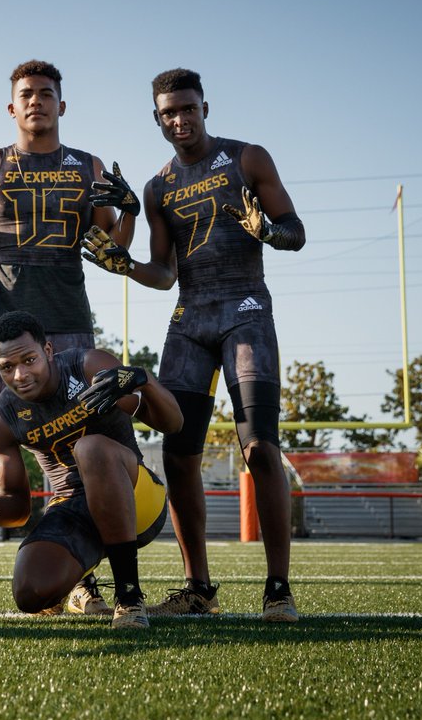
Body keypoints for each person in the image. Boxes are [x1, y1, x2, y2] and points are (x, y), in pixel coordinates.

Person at [81, 68, 306, 622]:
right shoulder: (157, 186)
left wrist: (269, 233)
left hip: (246, 308)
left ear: (206, 107)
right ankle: (197, 588)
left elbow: (295, 231)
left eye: (188, 108)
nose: (179, 119)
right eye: (168, 113)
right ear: (156, 120)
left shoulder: (248, 158)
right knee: (179, 455)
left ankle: (278, 588)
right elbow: (163, 272)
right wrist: (123, 265)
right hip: (190, 317)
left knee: (258, 448)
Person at [0, 59, 139, 616]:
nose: (36, 102)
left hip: (67, 315)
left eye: (46, 94)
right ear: (12, 107)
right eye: (26, 94)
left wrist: (129, 212)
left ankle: (83, 579)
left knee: (77, 449)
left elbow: (112, 249)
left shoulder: (87, 164)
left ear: (61, 104)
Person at [0, 310, 183, 629]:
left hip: (136, 496)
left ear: (47, 351)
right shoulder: (1, 418)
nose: (20, 375)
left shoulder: (88, 367)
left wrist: (145, 380)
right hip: (74, 506)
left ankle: (129, 597)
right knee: (31, 594)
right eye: (7, 367)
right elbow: (18, 510)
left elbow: (173, 424)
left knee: (89, 448)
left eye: (29, 360)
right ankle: (77, 580)